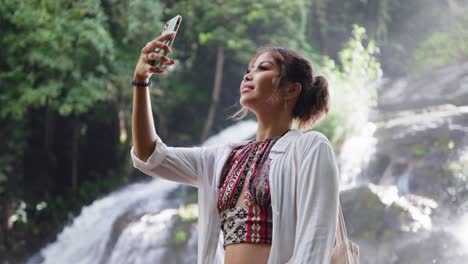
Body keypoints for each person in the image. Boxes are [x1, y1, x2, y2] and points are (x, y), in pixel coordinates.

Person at [130, 32, 340, 264]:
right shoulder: (223, 158)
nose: (248, 75)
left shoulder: (310, 147)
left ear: (291, 90)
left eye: (263, 68)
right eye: (249, 69)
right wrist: (141, 80)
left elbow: (316, 237)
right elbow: (149, 155)